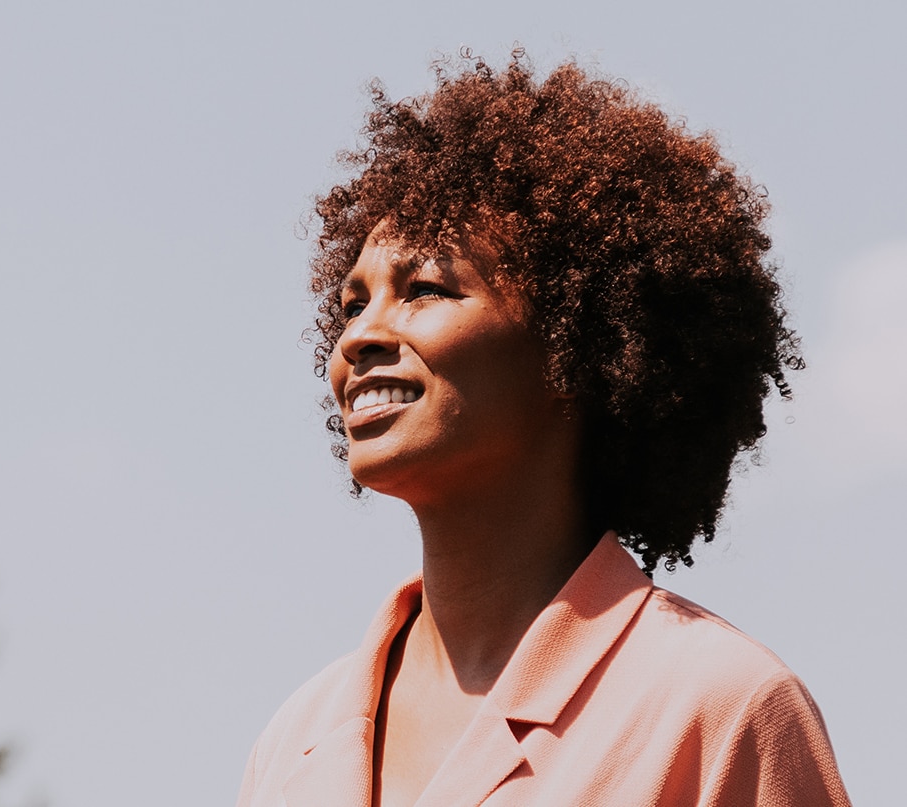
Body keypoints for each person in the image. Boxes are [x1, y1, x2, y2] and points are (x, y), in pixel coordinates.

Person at [236, 51, 850, 807]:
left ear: (574, 347)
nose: (359, 335)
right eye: (352, 302)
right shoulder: (294, 740)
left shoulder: (719, 708)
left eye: (425, 287)